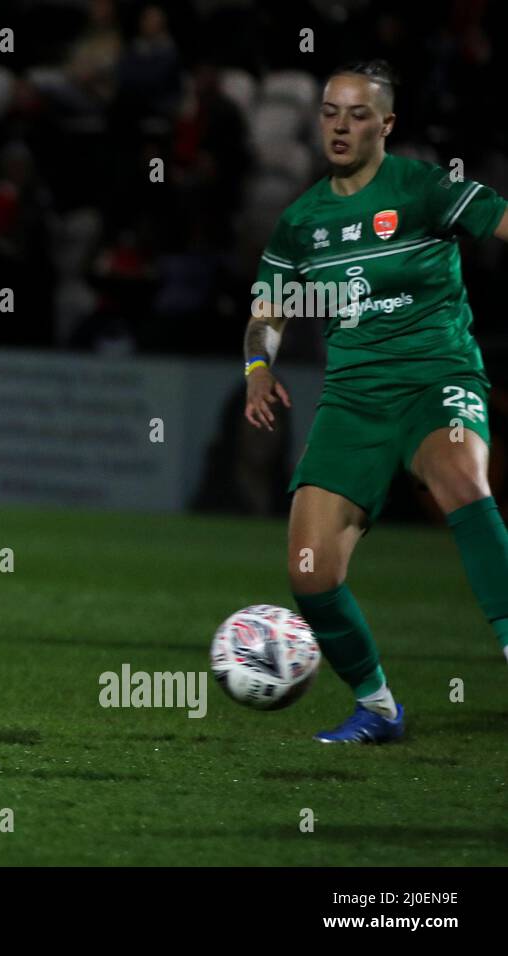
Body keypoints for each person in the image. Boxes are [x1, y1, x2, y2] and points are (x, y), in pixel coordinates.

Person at [245, 60, 508, 743]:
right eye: (330, 110)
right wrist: (256, 368)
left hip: (436, 379)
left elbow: (502, 221)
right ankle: (379, 707)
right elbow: (267, 309)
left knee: (460, 477)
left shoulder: (422, 189)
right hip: (354, 402)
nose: (339, 124)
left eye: (357, 113)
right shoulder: (303, 221)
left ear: (386, 124)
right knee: (309, 574)